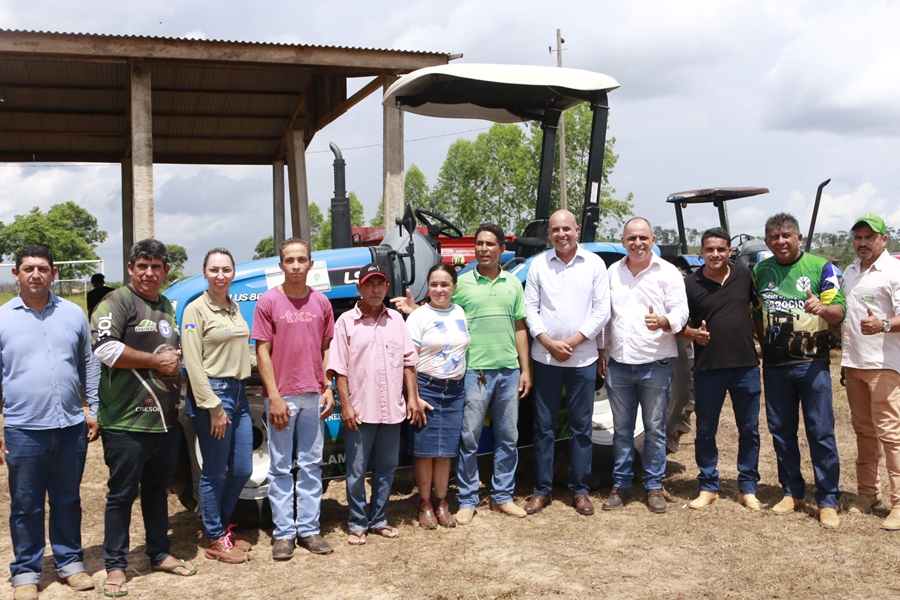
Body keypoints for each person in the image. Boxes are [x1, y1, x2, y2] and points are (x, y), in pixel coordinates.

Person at [393, 222, 532, 524]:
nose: (483, 248)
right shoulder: (463, 283)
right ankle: (468, 499)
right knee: (469, 437)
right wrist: (414, 308)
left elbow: (520, 328)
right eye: (479, 243)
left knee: (508, 436)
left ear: (501, 249)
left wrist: (524, 369)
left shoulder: (513, 284)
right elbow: (438, 311)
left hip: (508, 371)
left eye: (490, 244)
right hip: (474, 371)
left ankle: (502, 497)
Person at [91, 239, 194, 597]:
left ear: (166, 271)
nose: (149, 273)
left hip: (163, 422)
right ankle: (116, 566)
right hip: (125, 423)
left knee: (156, 492)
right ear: (131, 269)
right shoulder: (116, 301)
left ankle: (159, 553)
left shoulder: (166, 304)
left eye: (157, 266)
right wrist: (156, 362)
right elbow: (104, 348)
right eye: (142, 266)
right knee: (121, 495)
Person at [0, 245, 99, 600]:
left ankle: (70, 563)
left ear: (54, 273)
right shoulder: (2, 319)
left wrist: (93, 410)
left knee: (67, 499)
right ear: (16, 273)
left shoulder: (73, 315)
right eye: (28, 268)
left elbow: (88, 365)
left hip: (70, 425)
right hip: (23, 428)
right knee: (25, 504)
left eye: (43, 268)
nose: (36, 274)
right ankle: (25, 571)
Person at [752, 212, 844, 528]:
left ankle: (828, 500)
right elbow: (756, 316)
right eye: (775, 237)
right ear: (767, 242)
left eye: (786, 235)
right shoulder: (760, 271)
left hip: (813, 365)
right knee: (781, 433)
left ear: (799, 238)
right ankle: (792, 492)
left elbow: (838, 312)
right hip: (776, 367)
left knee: (821, 433)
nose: (781, 241)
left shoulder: (822, 267)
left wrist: (822, 308)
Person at [252, 237, 335, 560]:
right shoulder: (269, 302)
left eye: (302, 260)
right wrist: (273, 396)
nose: (297, 266)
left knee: (312, 465)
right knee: (281, 467)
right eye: (290, 260)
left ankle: (309, 529)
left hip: (314, 394)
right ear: (281, 265)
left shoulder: (321, 303)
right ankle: (284, 533)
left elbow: (328, 347)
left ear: (311, 264)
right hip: (283, 396)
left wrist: (327, 385)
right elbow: (262, 350)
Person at [328, 263, 424, 545]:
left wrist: (412, 398)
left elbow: (409, 364)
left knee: (386, 469)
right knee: (357, 472)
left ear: (386, 288)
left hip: (391, 410)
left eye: (380, 284)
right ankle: (357, 522)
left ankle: (379, 519)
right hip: (359, 411)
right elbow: (339, 369)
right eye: (370, 284)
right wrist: (345, 406)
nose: (375, 289)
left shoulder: (396, 320)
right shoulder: (346, 321)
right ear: (359, 288)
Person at [524, 210, 610, 516]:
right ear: (549, 233)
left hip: (582, 358)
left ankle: (580, 490)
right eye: (556, 230)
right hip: (545, 358)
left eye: (567, 229)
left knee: (581, 426)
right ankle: (541, 490)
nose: (562, 234)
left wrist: (573, 342)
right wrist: (547, 341)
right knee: (544, 426)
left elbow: (602, 310)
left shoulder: (594, 264)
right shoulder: (538, 265)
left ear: (576, 231)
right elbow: (530, 308)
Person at [600, 217, 688, 514]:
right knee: (622, 430)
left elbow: (681, 313)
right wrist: (602, 350)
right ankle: (621, 485)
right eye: (631, 238)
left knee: (655, 428)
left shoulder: (669, 272)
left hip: (656, 364)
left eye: (643, 238)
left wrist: (664, 321)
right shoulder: (613, 272)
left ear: (653, 240)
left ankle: (653, 486)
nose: (637, 243)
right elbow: (605, 317)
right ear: (623, 241)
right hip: (620, 365)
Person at [676, 228, 763, 511]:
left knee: (749, 429)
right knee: (705, 430)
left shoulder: (744, 277)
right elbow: (678, 327)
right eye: (709, 249)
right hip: (708, 367)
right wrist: (694, 335)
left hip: (745, 366)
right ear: (701, 252)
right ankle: (708, 486)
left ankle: (747, 488)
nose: (715, 254)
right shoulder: (690, 283)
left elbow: (756, 311)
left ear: (729, 251)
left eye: (721, 249)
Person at [181, 248, 253, 563]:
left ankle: (221, 526)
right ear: (205, 273)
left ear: (233, 273)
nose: (220, 275)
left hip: (239, 392)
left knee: (242, 468)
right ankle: (215, 536)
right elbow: (193, 363)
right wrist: (212, 405)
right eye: (214, 270)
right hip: (215, 394)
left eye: (226, 269)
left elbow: (241, 352)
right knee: (213, 472)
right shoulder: (195, 310)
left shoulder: (234, 307)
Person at [840, 213, 900, 529]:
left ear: (883, 240)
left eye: (869, 237)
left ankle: (899, 503)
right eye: (858, 238)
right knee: (863, 432)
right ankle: (867, 494)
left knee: (891, 435)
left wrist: (884, 324)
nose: (862, 243)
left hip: (884, 366)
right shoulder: (850, 271)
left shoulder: (894, 271)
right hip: (854, 364)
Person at [406, 264, 470, 529]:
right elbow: (408, 362)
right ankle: (424, 503)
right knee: (426, 451)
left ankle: (442, 501)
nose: (439, 290)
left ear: (454, 287)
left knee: (445, 451)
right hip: (427, 388)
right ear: (428, 287)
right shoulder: (418, 317)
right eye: (434, 284)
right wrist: (413, 396)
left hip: (454, 392)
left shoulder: (460, 312)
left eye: (445, 284)